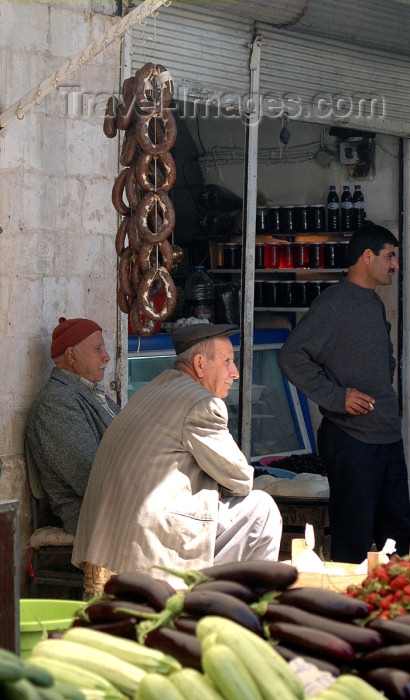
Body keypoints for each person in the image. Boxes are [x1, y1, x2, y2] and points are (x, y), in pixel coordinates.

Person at [72, 323, 283, 588]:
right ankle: (243, 610)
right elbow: (241, 480)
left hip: (103, 546)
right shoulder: (202, 404)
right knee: (262, 509)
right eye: (227, 361)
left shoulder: (152, 389)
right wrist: (214, 487)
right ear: (200, 364)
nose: (235, 372)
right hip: (145, 549)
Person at [278, 222, 410, 563]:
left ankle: (392, 610)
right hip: (352, 440)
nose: (395, 264)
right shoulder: (332, 304)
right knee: (351, 542)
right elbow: (292, 357)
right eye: (390, 256)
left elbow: (386, 357)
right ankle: (345, 612)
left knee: (398, 541)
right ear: (367, 257)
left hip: (387, 436)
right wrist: (338, 397)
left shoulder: (374, 303)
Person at [26, 316, 120, 535]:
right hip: (96, 518)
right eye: (98, 349)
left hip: (125, 504)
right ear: (71, 356)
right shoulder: (55, 403)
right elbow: (91, 479)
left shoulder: (92, 393)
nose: (106, 356)